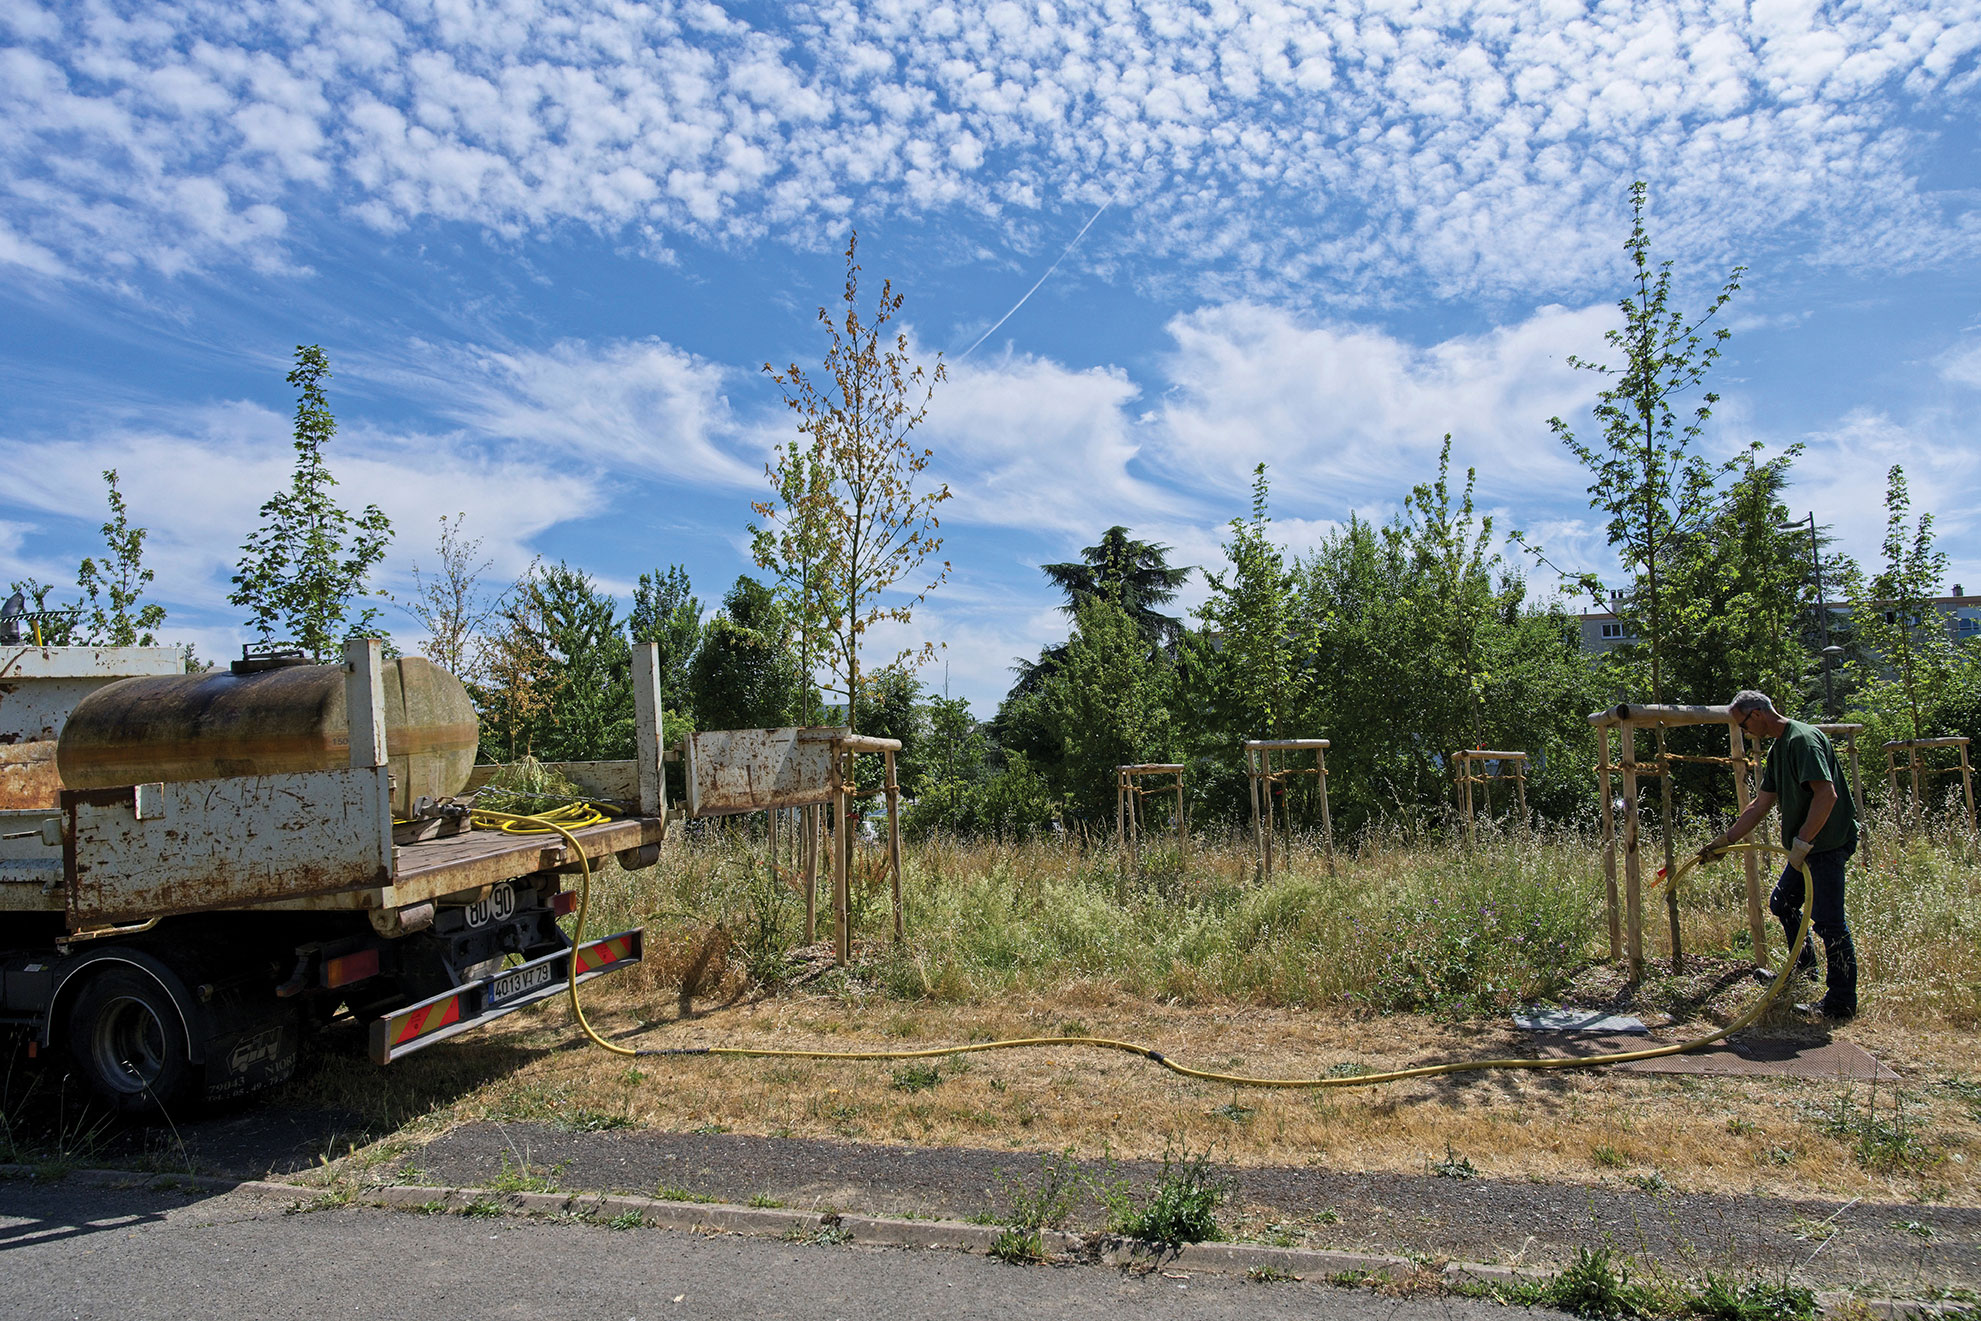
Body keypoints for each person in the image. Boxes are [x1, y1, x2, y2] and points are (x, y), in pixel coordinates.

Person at [1698, 690, 1858, 1019]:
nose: (1744, 731)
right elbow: (1760, 805)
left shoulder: (1803, 740)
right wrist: (1724, 841)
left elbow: (1826, 796)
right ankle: (1803, 971)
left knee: (1830, 923)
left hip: (1824, 845)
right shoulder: (1778, 749)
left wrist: (1802, 843)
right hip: (1808, 848)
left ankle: (1841, 1003)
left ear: (1756, 714)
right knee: (1782, 902)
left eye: (1742, 724)